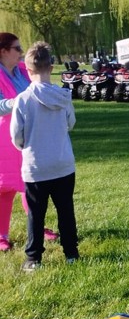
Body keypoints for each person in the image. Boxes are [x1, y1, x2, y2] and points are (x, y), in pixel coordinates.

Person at [9, 41, 79, 271]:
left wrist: (25, 146)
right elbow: (70, 123)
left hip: (36, 166)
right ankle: (71, 253)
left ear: (28, 70)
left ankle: (33, 258)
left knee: (36, 214)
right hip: (63, 164)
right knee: (65, 210)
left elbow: (16, 135)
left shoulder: (23, 100)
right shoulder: (63, 96)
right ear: (51, 67)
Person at [0, 33, 59, 252]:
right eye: (17, 48)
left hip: (30, 135)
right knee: (4, 189)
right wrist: (19, 101)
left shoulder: (25, 70)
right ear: (3, 51)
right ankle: (1, 236)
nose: (21, 52)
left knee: (31, 185)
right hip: (4, 140)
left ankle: (38, 228)